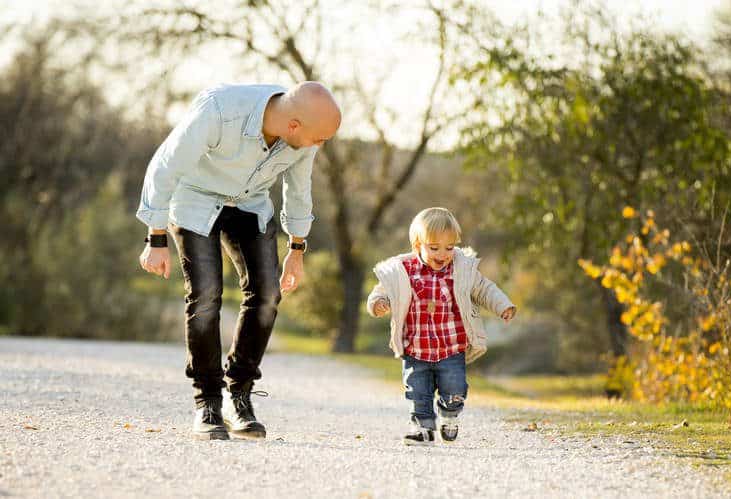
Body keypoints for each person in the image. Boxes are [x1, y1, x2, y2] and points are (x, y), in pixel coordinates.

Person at [136, 81, 341, 440]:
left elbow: (298, 190)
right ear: (294, 125)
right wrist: (155, 237)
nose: (319, 145)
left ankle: (238, 396)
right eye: (319, 138)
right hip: (195, 200)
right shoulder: (219, 110)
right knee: (206, 296)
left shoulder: (302, 135)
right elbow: (165, 166)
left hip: (250, 204)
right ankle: (207, 404)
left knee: (266, 297)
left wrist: (296, 251)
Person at [366, 207, 516, 445]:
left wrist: (503, 305)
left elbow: (484, 289)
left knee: (454, 387)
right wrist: (379, 304)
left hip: (451, 348)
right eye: (434, 248)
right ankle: (422, 430)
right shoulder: (402, 271)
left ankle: (450, 415)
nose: (443, 254)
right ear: (417, 246)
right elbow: (381, 291)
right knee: (417, 393)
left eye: (449, 247)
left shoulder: (462, 270)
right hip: (416, 349)